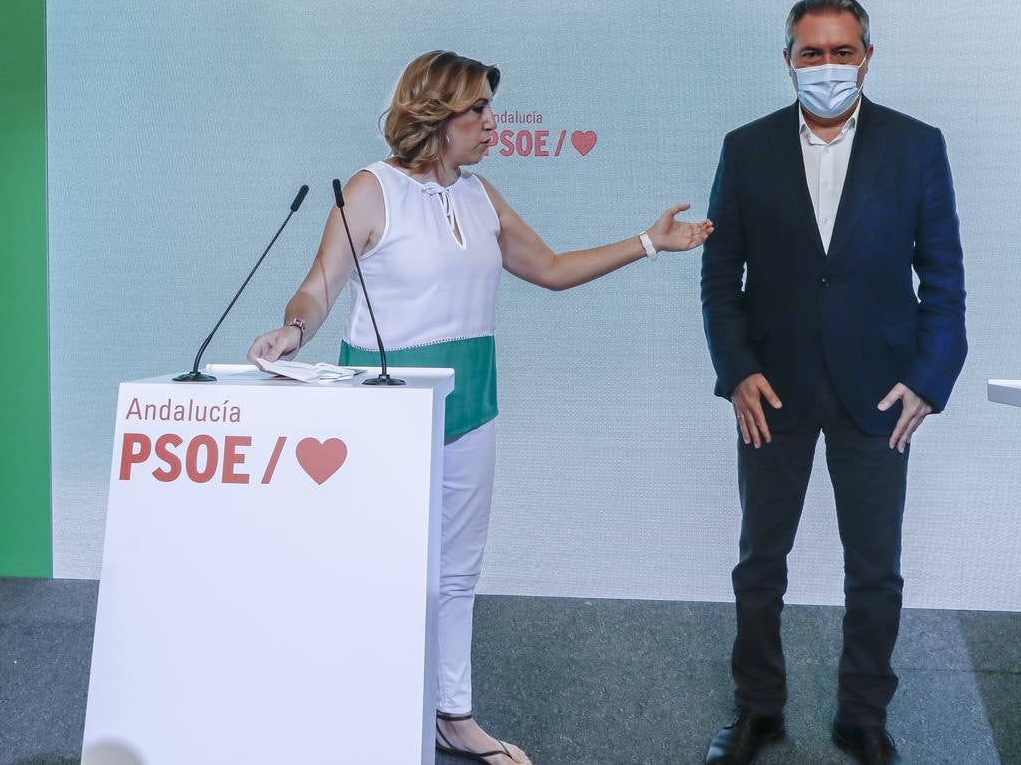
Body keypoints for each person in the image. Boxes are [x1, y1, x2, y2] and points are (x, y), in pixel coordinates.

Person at [248, 50, 711, 764]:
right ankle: (352, 708)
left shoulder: (480, 196)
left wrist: (651, 242)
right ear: (436, 112)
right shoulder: (372, 190)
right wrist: (293, 328)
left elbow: (551, 270)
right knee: (377, 563)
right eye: (479, 110)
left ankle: (452, 716)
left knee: (458, 570)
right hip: (385, 406)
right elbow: (319, 286)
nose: (493, 123)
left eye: (491, 109)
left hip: (472, 397)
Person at [699, 0, 967, 765]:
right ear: (786, 58)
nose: (826, 67)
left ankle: (863, 716)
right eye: (810, 53)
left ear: (867, 56)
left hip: (879, 393)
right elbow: (722, 279)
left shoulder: (915, 146)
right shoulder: (746, 148)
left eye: (840, 52)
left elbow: (943, 279)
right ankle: (757, 711)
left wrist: (927, 378)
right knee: (759, 562)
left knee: (875, 568)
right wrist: (736, 371)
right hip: (770, 389)